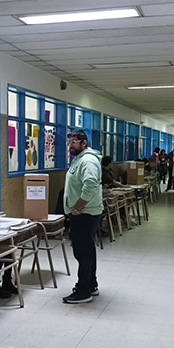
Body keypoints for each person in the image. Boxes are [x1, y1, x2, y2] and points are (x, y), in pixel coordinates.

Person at [63, 130, 103, 304]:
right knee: (88, 250)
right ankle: (91, 284)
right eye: (69, 142)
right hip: (84, 213)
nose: (70, 146)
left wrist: (78, 207)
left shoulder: (87, 160)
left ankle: (83, 290)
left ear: (84, 143)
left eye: (74, 142)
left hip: (85, 213)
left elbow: (91, 184)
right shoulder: (79, 159)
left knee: (82, 252)